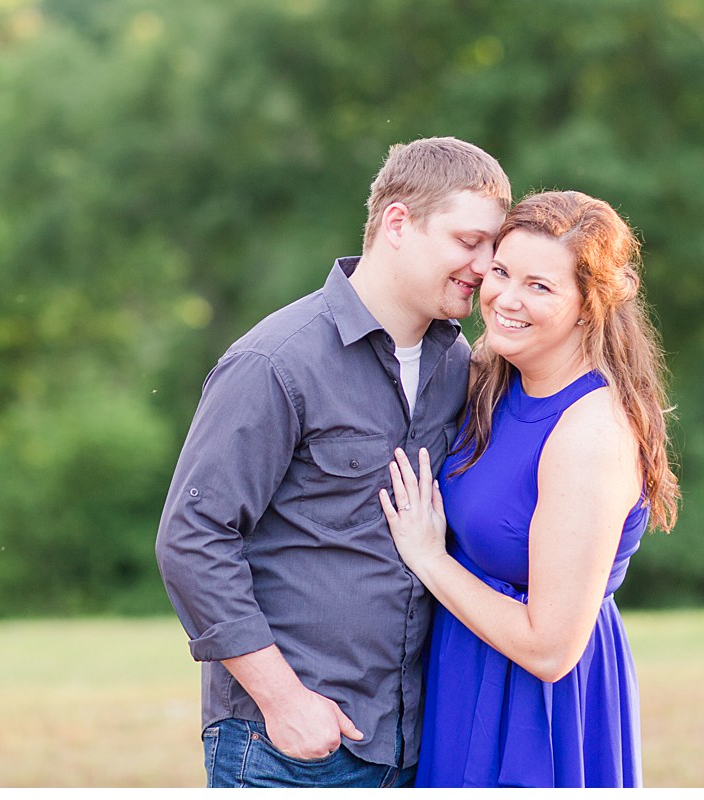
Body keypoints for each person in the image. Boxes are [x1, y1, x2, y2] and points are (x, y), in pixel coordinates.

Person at [155, 137, 512, 788]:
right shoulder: (276, 362)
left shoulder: (459, 366)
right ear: (398, 223)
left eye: (494, 248)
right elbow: (192, 539)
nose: (486, 266)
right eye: (469, 242)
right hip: (288, 748)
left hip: (413, 745)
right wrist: (282, 700)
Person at [380, 190, 680, 788]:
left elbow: (551, 649)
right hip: (466, 681)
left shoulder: (591, 434)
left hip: (537, 719)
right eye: (500, 272)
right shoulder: (496, 374)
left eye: (540, 286)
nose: (506, 299)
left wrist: (428, 559)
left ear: (589, 305)